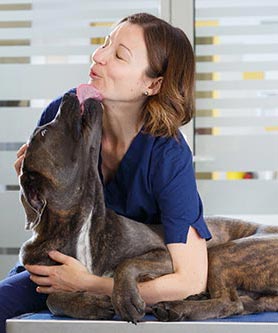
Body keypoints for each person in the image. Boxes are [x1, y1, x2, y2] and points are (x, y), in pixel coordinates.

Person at [0, 12, 211, 332]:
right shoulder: (63, 112)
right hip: (59, 266)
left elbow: (192, 279)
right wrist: (31, 179)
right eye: (104, 43)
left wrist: (91, 284)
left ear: (152, 84)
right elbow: (44, 222)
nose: (98, 56)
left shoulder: (168, 155)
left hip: (127, 278)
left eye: (119, 55)